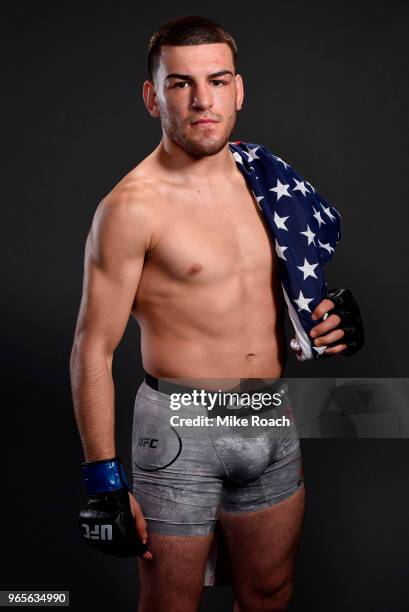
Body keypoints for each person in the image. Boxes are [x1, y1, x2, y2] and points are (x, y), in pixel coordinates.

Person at [70, 15, 363, 612]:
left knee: (269, 594)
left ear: (238, 88)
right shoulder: (131, 207)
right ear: (154, 96)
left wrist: (333, 324)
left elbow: (289, 292)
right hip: (181, 429)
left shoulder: (265, 180)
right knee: (171, 606)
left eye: (217, 80)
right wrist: (103, 478)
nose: (202, 100)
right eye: (180, 84)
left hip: (270, 416)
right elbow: (91, 348)